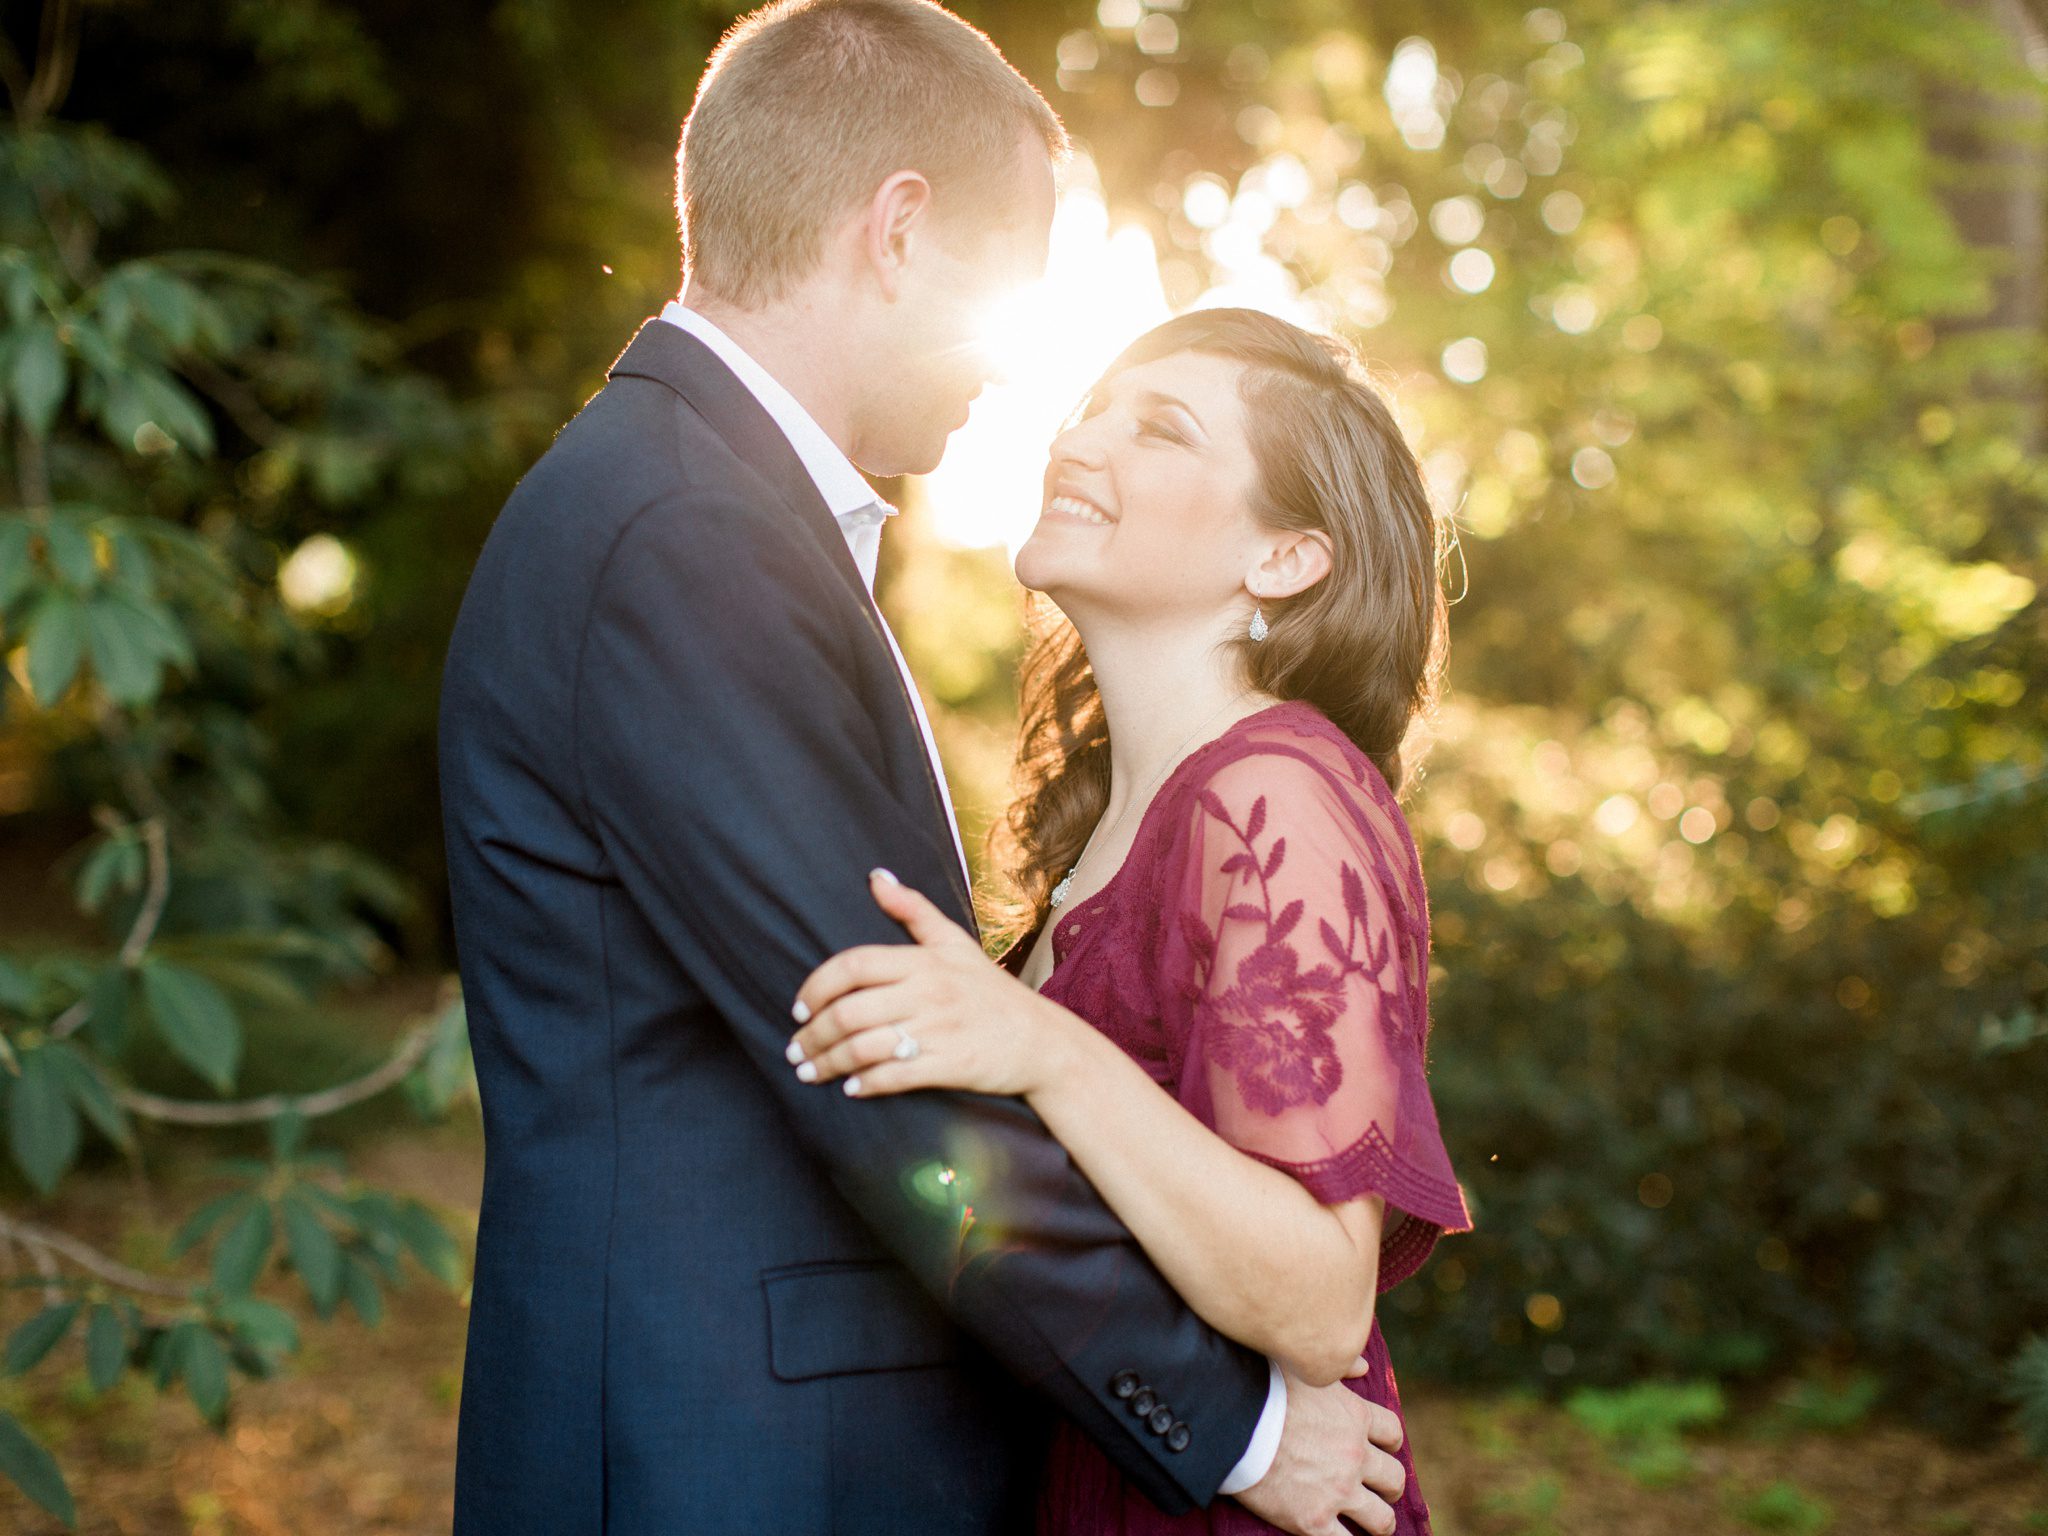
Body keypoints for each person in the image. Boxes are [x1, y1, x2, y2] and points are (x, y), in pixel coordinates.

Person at [438, 2, 1409, 1532]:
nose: (1028, 392)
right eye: (1014, 295)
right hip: (720, 1457)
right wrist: (1225, 1427)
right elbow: (880, 1068)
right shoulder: (687, 533)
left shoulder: (706, 512)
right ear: (901, 234)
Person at [789, 308, 1472, 1535]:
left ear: (1283, 560)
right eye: (1091, 408)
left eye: (1157, 429)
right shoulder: (1114, 821)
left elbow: (1322, 1294)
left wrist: (1041, 1048)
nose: (1080, 439)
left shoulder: (1275, 800)